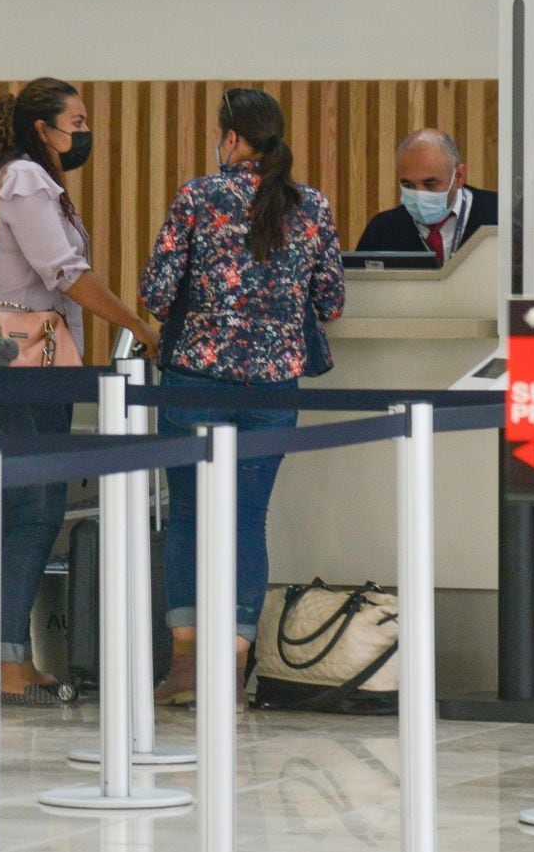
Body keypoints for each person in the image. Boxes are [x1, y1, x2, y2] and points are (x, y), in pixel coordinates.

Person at [139, 87, 345, 706]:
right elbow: (331, 302)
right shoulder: (311, 205)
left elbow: (156, 290)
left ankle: (183, 672)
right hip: (272, 386)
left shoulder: (199, 197)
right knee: (246, 521)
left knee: (190, 518)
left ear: (231, 138)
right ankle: (229, 672)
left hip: (194, 381)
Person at [0, 77, 160, 706]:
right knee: (34, 509)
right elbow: (65, 274)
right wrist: (134, 323)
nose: (83, 132)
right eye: (74, 122)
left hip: (40, 361)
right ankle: (2, 660)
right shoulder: (25, 179)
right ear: (41, 129)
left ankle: (6, 655)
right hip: (21, 362)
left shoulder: (26, 179)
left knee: (32, 508)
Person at [354, 128, 498, 263]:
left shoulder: (499, 215)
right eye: (408, 185)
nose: (419, 194)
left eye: (430, 183)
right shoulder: (383, 230)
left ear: (459, 177)